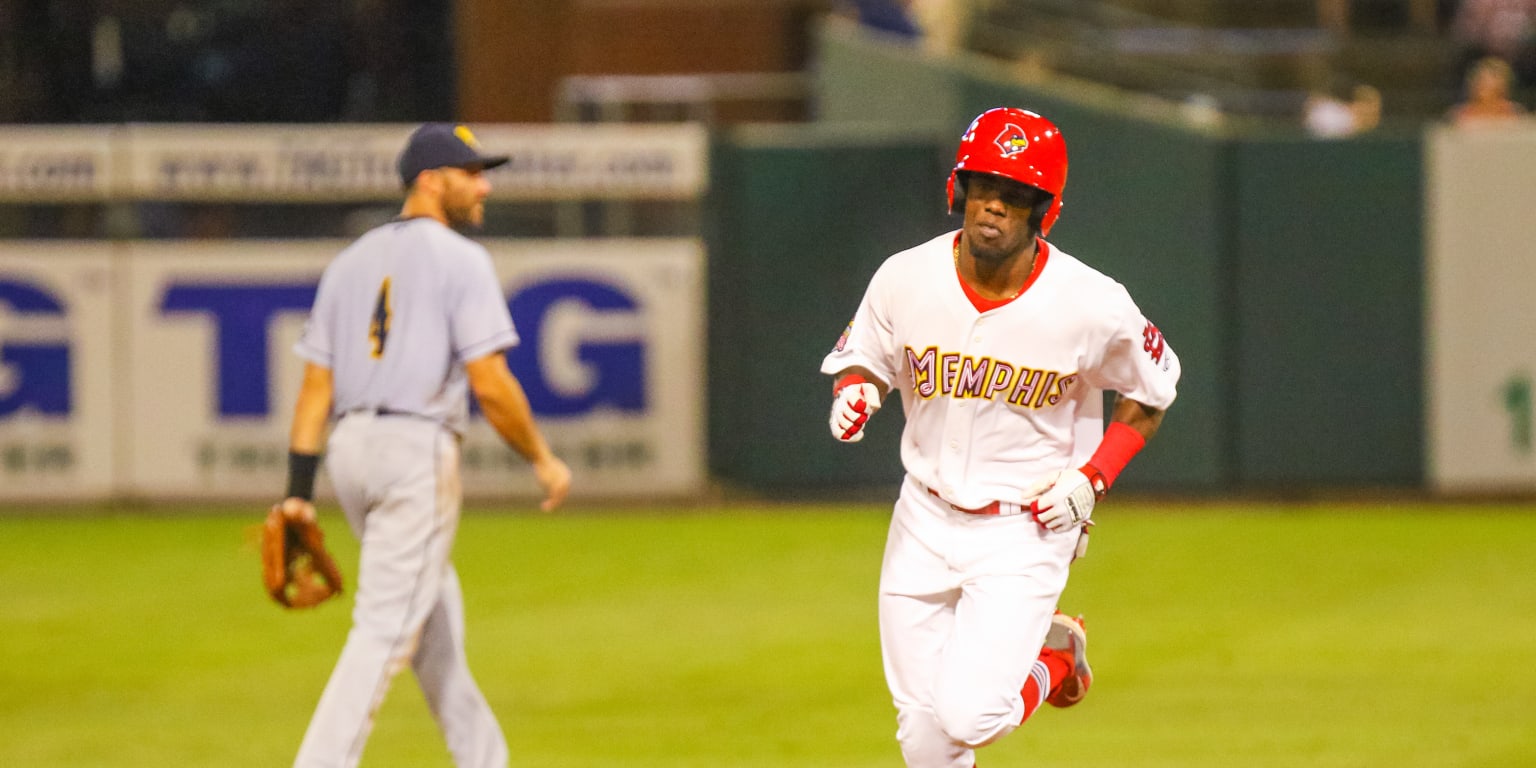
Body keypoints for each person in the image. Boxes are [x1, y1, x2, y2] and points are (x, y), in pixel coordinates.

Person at [820, 107, 1180, 768]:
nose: (994, 205)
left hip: (1026, 526)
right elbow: (865, 353)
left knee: (971, 716)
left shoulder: (1091, 302)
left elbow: (1154, 392)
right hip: (922, 517)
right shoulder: (905, 275)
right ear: (958, 190)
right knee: (925, 740)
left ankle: (1056, 655)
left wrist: (1093, 476)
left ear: (1044, 208)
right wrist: (857, 388)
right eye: (984, 186)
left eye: (1015, 195)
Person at [277, 122, 573, 768]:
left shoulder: (348, 261)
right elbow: (491, 385)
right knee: (384, 631)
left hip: (350, 450)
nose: (483, 184)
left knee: (433, 625)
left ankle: (484, 759)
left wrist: (299, 494)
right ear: (429, 180)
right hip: (414, 450)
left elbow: (314, 389)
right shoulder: (461, 259)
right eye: (470, 173)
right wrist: (543, 461)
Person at [1448, 56, 1529, 125]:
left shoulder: (1515, 113)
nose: (1480, 85)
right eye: (1479, 80)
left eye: (1487, 81)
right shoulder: (1460, 115)